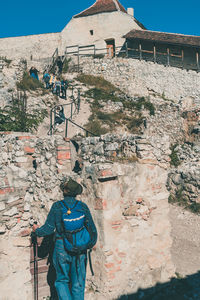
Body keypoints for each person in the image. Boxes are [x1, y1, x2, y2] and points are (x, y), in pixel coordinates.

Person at [32, 178, 97, 300]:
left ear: (64, 191)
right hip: (80, 249)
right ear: (76, 193)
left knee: (62, 280)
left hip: (61, 247)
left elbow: (48, 229)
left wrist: (36, 231)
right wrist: (87, 245)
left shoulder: (57, 207)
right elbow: (92, 230)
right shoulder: (82, 206)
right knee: (78, 282)